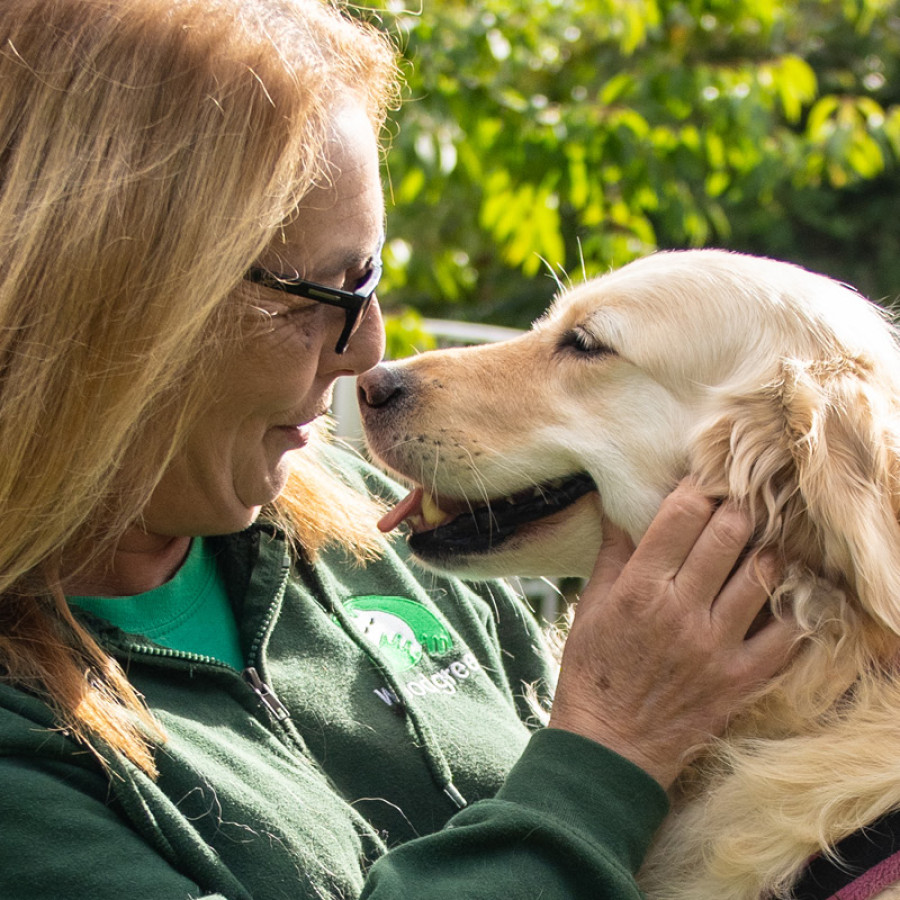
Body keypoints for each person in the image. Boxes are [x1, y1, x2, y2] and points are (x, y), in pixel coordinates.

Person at [0, 1, 796, 898]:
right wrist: (611, 749)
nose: (368, 351)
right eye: (324, 292)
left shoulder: (370, 529)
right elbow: (588, 780)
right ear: (107, 293)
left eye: (371, 275)